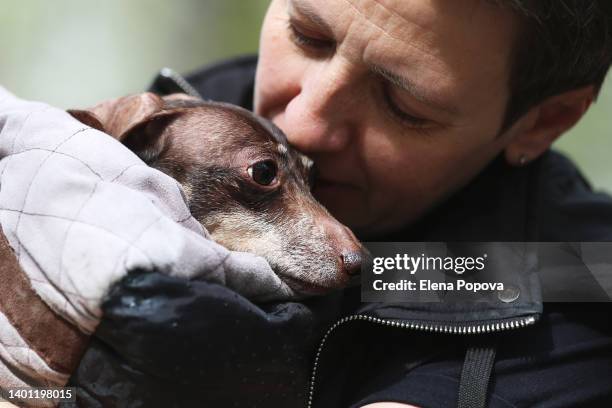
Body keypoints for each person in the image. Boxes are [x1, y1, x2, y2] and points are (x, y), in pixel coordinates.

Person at [1, 0, 612, 407]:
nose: (305, 125)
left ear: (545, 120)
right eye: (307, 35)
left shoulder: (576, 300)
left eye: (405, 105)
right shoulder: (164, 119)